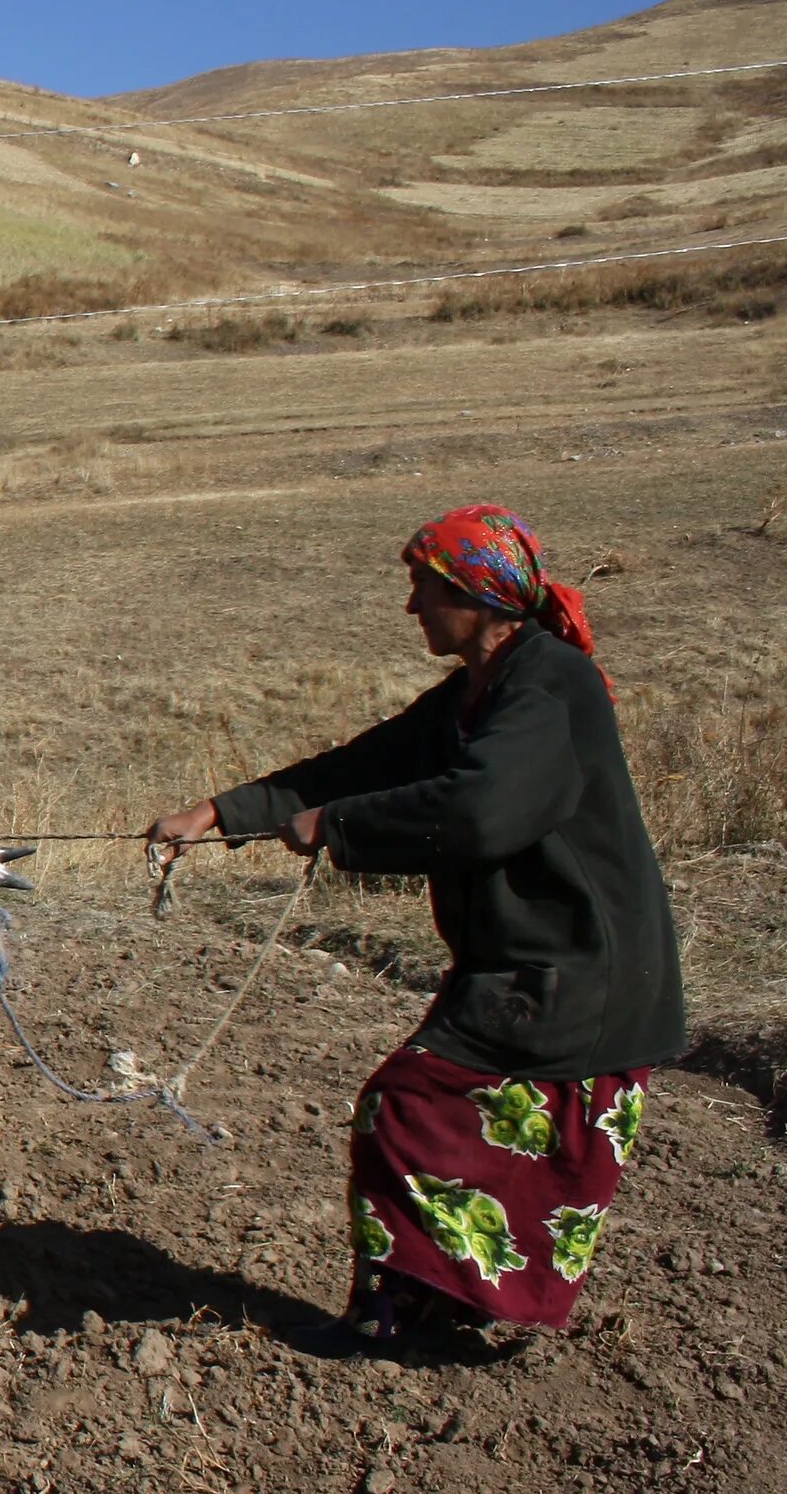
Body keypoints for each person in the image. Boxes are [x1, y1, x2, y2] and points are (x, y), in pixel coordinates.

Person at [147, 505, 683, 1349]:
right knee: (440, 1123)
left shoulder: (550, 688)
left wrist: (339, 827)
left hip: (577, 973)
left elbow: (483, 809)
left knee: (403, 1107)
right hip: (525, 965)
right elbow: (359, 766)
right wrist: (218, 813)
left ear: (477, 594)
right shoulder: (473, 697)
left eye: (423, 591)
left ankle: (398, 1320)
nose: (412, 610)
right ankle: (443, 1308)